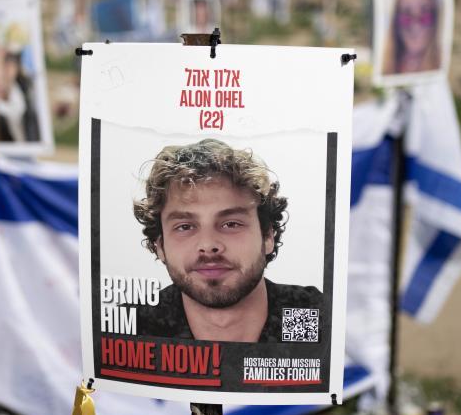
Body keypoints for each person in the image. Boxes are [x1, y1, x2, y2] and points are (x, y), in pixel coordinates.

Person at [134, 139, 322, 343]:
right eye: (185, 227)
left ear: (268, 236)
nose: (208, 245)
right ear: (160, 246)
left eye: (231, 224)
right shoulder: (135, 327)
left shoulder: (313, 314)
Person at [383, 0, 442, 76]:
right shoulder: (385, 70)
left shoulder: (440, 68)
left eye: (424, 12)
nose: (415, 25)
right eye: (406, 13)